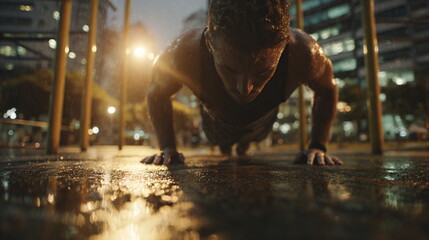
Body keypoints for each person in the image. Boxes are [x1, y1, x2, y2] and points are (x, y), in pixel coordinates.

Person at [142, 0, 343, 166]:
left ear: (283, 47)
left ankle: (244, 144)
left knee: (246, 142)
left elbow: (328, 89)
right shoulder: (183, 52)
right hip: (215, 123)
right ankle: (232, 145)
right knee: (223, 144)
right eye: (230, 69)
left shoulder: (305, 54)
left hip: (262, 123)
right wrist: (167, 147)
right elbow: (156, 92)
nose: (244, 88)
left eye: (263, 72)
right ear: (210, 43)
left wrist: (318, 146)